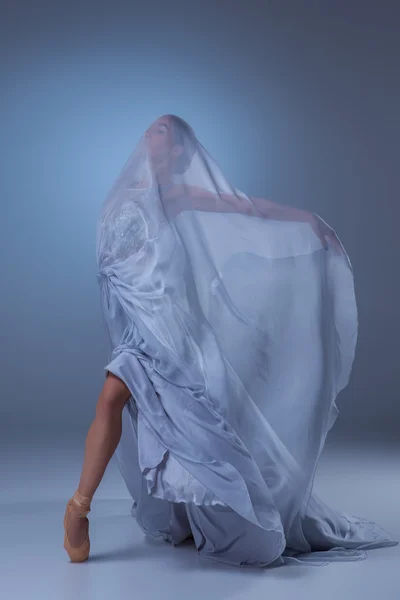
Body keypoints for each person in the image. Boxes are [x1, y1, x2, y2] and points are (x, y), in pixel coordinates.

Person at [63, 114, 398, 566]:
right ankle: (91, 510)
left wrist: (309, 222)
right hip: (139, 328)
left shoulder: (175, 197)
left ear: (179, 152)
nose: (151, 133)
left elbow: (246, 208)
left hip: (172, 334)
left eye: (163, 131)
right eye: (151, 128)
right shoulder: (120, 197)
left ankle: (84, 510)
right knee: (124, 407)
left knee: (135, 407)